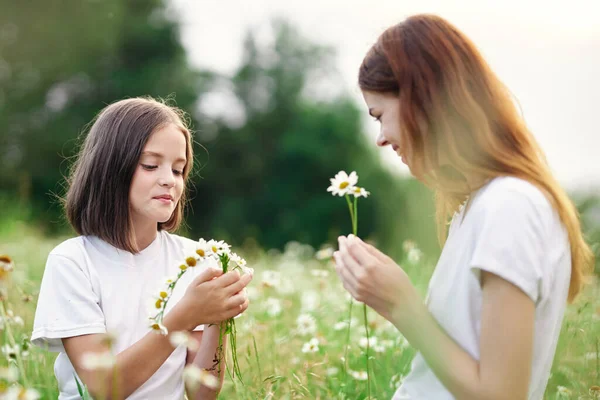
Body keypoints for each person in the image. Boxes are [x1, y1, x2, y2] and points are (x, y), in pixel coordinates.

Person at [332, 14, 594, 400]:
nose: (381, 139)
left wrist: (402, 305)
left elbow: (502, 394)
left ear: (424, 99)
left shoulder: (510, 206)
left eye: (380, 115)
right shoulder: (480, 207)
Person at [31, 97, 253, 400]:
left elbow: (201, 393)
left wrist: (216, 318)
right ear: (110, 168)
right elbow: (103, 388)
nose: (168, 181)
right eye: (150, 165)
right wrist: (185, 315)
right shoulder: (73, 262)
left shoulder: (195, 260)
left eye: (178, 170)